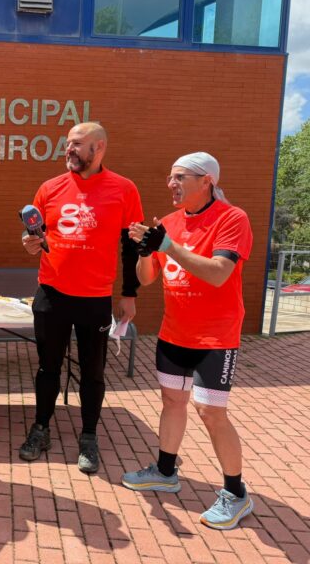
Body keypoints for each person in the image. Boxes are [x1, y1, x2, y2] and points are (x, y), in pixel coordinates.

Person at [122, 152, 254, 530]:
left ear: (206, 180)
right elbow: (147, 278)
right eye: (170, 176)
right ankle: (165, 472)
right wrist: (146, 251)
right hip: (174, 333)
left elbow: (218, 273)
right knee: (172, 402)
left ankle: (236, 493)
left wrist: (169, 248)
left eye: (180, 177)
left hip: (216, 337)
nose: (171, 184)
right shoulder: (168, 223)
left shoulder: (232, 218)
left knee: (211, 413)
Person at [19, 122, 143, 474]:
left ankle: (89, 436)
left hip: (94, 298)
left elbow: (131, 247)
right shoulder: (50, 188)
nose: (68, 150)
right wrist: (30, 244)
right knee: (47, 368)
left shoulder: (124, 189)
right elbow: (36, 238)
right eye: (67, 145)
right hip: (52, 294)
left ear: (98, 147)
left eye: (76, 145)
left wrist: (129, 294)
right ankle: (40, 428)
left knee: (93, 372)